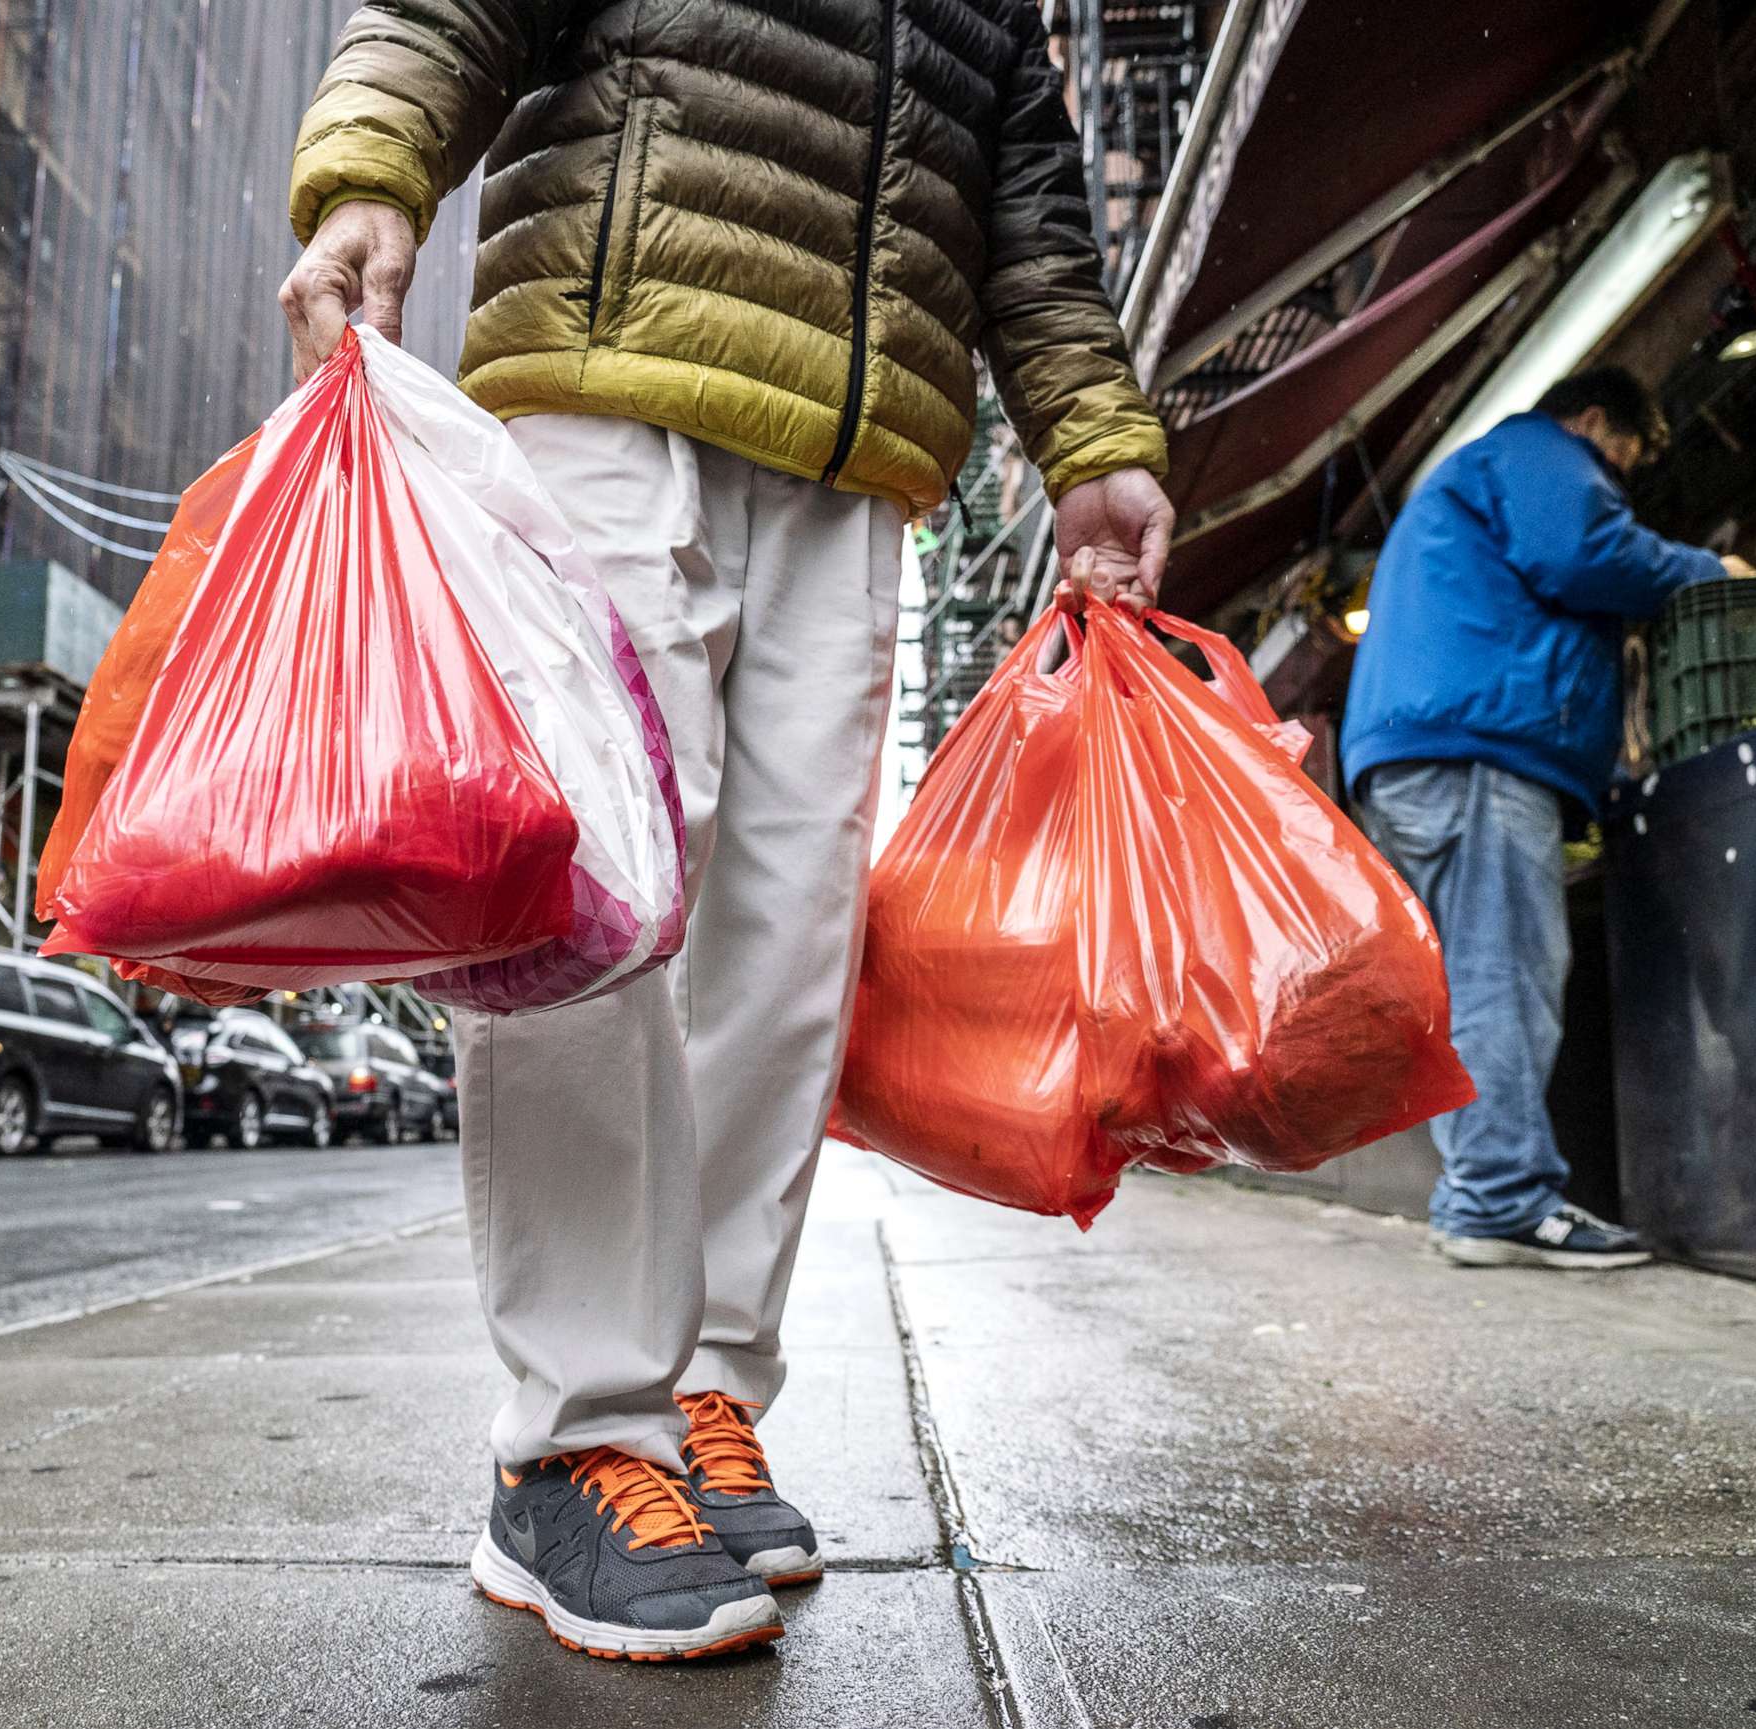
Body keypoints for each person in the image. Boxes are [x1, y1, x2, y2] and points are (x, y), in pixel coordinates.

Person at [280, 2, 1170, 1662]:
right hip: (616, 375)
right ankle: (570, 1436)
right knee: (595, 895)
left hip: (861, 445)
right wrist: (372, 165)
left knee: (786, 938)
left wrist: (1091, 433)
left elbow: (1024, 188)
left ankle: (699, 1398)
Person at [1342, 368, 1752, 1273]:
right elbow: (1584, 555)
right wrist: (1706, 569)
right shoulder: (1541, 451)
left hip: (1427, 751)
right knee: (1505, 973)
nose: (1622, 479)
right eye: (1627, 458)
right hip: (1476, 752)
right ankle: (1500, 1200)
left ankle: (1476, 1194)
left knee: (1472, 982)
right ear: (1596, 420)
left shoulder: (1475, 473)